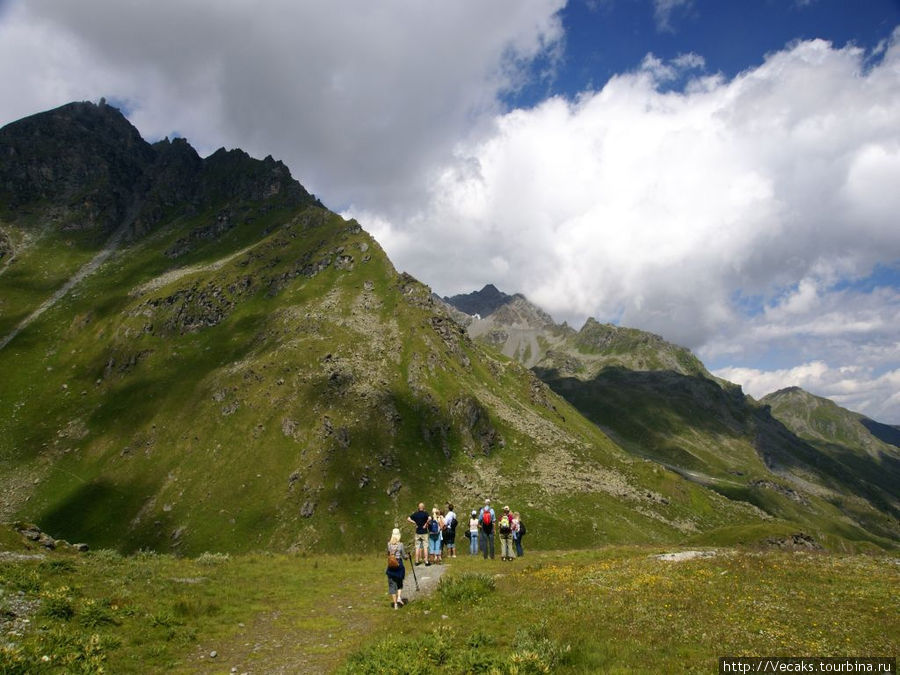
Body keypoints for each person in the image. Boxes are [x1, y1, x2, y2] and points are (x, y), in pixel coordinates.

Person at [386, 527, 406, 609]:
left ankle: (395, 605)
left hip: (391, 566)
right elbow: (404, 556)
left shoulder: (388, 544)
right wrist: (408, 557)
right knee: (399, 582)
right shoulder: (400, 545)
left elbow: (388, 554)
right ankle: (399, 597)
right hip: (399, 565)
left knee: (392, 585)